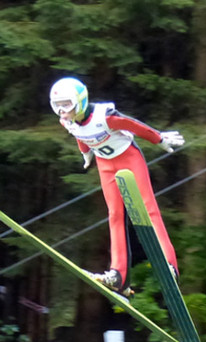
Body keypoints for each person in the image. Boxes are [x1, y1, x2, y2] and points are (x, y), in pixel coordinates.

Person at [49, 77, 184, 295]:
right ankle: (118, 275)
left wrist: (159, 138)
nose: (63, 111)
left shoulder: (106, 116)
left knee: (148, 210)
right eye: (58, 106)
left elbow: (134, 126)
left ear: (80, 101)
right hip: (105, 165)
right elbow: (80, 135)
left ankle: (170, 266)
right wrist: (85, 153)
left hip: (128, 158)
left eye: (67, 105)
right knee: (115, 215)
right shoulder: (67, 121)